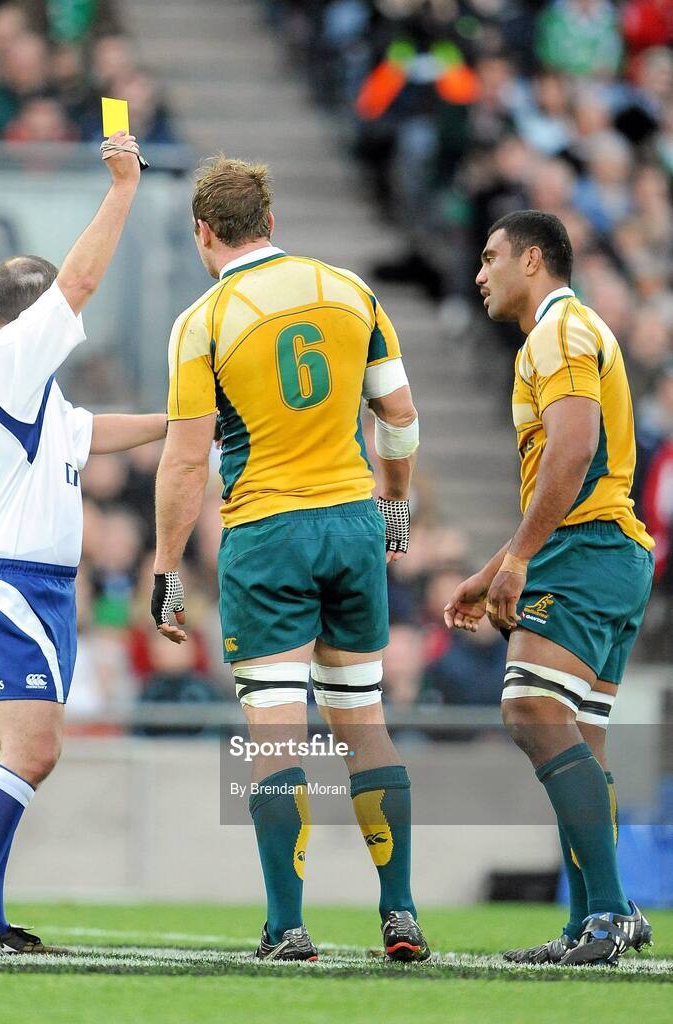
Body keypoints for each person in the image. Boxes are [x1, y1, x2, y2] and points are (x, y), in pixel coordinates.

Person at [150, 157, 428, 963]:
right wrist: (396, 503)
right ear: (268, 220)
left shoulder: (204, 319)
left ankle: (289, 926)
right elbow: (400, 417)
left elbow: (184, 462)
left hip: (269, 530)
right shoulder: (350, 290)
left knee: (278, 740)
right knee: (364, 729)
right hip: (351, 522)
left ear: (205, 231)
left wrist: (168, 568)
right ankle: (401, 913)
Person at [0, 130, 167, 957]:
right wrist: (121, 192)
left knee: (7, 752)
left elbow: (91, 431)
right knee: (35, 749)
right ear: (34, 316)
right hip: (10, 583)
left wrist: (184, 423)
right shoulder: (7, 357)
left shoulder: (32, 392)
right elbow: (79, 279)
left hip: (23, 586)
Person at [444, 210, 655, 966]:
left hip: (588, 549)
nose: (480, 274)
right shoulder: (569, 332)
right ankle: (586, 923)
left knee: (528, 708)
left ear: (533, 261)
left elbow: (575, 447)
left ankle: (610, 911)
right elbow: (563, 477)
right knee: (579, 744)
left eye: (491, 257)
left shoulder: (559, 332)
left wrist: (522, 556)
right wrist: (492, 568)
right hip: (604, 550)